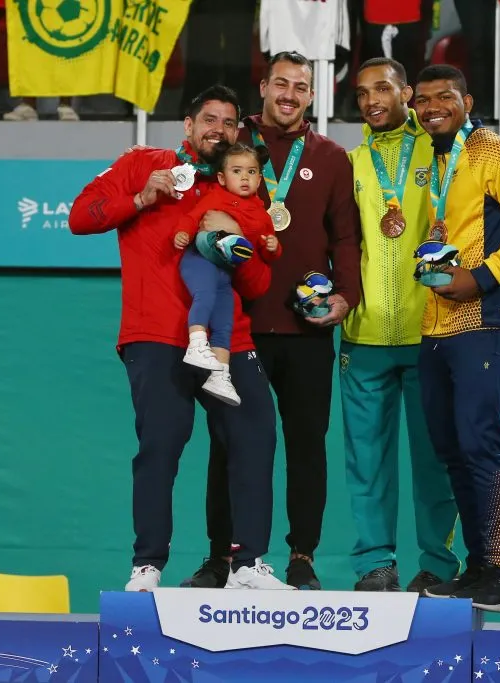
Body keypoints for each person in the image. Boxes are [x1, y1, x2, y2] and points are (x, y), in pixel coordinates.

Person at [68, 84, 293, 592]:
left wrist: (232, 243)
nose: (219, 129)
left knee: (256, 435)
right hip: (156, 336)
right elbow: (79, 218)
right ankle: (147, 565)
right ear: (187, 126)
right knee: (161, 447)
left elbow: (257, 283)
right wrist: (141, 196)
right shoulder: (143, 164)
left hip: (227, 340)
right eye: (209, 119)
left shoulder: (242, 189)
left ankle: (247, 565)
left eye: (230, 122)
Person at [182, 51, 363, 591]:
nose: (289, 93)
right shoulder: (235, 148)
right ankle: (223, 557)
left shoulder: (331, 157)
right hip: (240, 327)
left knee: (308, 444)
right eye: (280, 83)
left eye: (301, 86)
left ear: (313, 95)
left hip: (308, 329)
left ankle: (302, 556)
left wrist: (347, 297)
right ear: (262, 86)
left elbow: (345, 237)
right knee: (228, 445)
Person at [411, 64, 500, 611]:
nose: (432, 107)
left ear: (466, 100)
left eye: (444, 97)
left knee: (478, 442)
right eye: (422, 100)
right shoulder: (434, 161)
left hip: (489, 318)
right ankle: (477, 569)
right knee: (451, 450)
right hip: (437, 324)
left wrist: (482, 277)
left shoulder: (497, 152)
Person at [342, 57, 460, 593]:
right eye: (363, 92)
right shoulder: (351, 162)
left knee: (436, 460)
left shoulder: (439, 150)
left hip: (428, 329)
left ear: (407, 93)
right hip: (362, 337)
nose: (372, 100)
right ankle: (374, 565)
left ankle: (437, 566)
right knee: (367, 462)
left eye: (383, 88)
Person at [173, 142, 284, 405]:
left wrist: (273, 248)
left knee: (224, 319)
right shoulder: (215, 197)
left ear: (260, 178)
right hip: (199, 261)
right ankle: (197, 342)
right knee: (206, 295)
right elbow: (192, 217)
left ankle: (219, 374)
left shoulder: (261, 213)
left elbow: (264, 254)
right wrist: (183, 233)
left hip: (225, 273)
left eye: (251, 172)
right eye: (237, 171)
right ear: (222, 177)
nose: (245, 178)